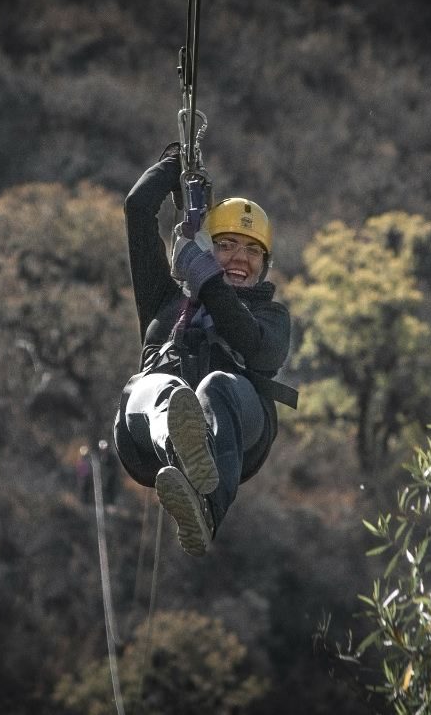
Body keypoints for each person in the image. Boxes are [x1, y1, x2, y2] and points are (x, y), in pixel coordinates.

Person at [113, 145, 296, 556]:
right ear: (206, 246)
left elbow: (255, 349)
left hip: (235, 433)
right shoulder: (165, 299)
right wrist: (173, 167)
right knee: (163, 387)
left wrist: (204, 276)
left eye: (252, 251)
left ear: (264, 265)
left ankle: (207, 506)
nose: (240, 258)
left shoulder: (272, 317)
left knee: (216, 385)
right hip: (146, 434)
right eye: (227, 245)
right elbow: (138, 210)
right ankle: (181, 449)